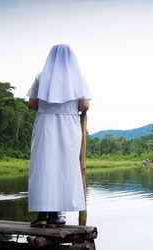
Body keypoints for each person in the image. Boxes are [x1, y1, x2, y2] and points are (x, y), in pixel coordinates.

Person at [27, 44, 92, 228]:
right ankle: (55, 216)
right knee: (64, 166)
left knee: (43, 165)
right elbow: (85, 105)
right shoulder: (78, 78)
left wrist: (49, 108)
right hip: (68, 126)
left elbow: (32, 104)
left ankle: (42, 216)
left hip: (45, 124)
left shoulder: (41, 77)